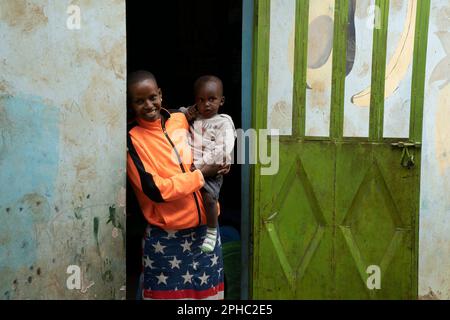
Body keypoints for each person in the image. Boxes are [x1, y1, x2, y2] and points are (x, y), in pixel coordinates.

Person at [126, 71, 229, 300]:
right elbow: (157, 190)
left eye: (152, 97)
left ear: (161, 94)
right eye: (139, 100)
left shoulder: (180, 119)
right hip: (167, 238)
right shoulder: (132, 139)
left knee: (209, 298)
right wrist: (202, 174)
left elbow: (208, 133)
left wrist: (222, 161)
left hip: (207, 232)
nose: (148, 105)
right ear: (131, 104)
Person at [180, 75, 236, 253]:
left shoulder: (223, 122)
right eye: (201, 100)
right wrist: (189, 111)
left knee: (209, 199)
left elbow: (222, 149)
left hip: (210, 168)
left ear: (222, 101)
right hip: (190, 168)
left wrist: (200, 166)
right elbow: (177, 114)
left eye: (212, 99)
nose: (206, 104)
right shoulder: (195, 116)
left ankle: (211, 231)